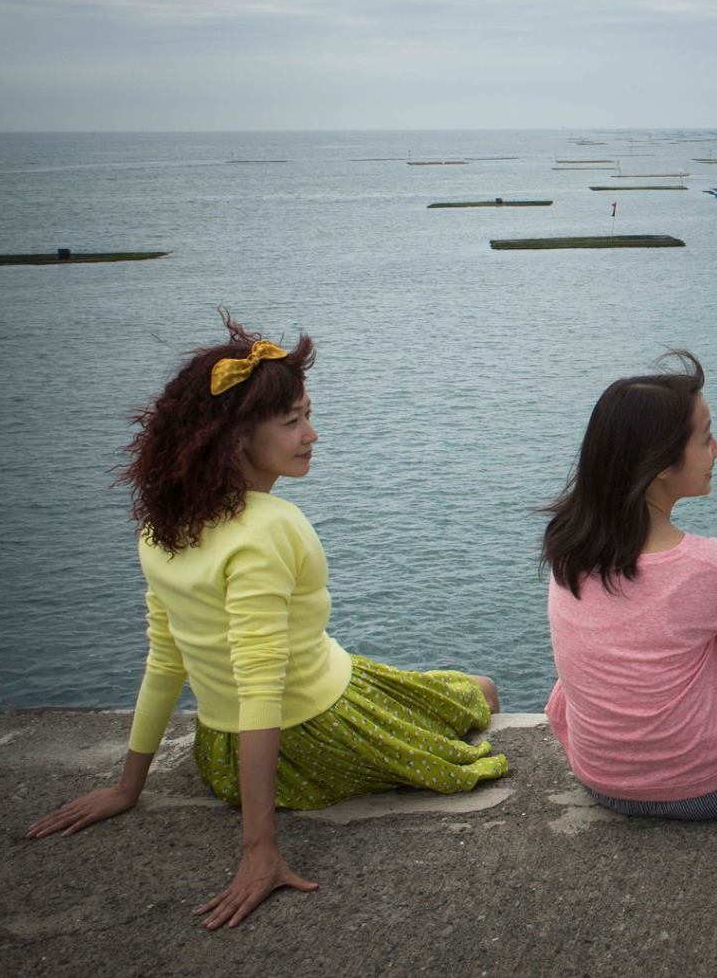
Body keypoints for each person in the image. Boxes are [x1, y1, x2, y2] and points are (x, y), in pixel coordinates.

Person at [27, 315, 509, 929]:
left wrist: (128, 787)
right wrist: (260, 850)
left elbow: (167, 660)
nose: (312, 434)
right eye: (292, 422)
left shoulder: (160, 529)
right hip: (320, 729)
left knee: (439, 687)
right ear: (233, 442)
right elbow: (263, 688)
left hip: (221, 754)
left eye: (307, 414)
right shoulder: (270, 528)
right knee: (483, 691)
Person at [543, 353, 717, 819]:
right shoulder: (708, 564)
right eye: (707, 438)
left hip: (603, 783)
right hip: (712, 789)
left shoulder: (567, 554)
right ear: (661, 465)